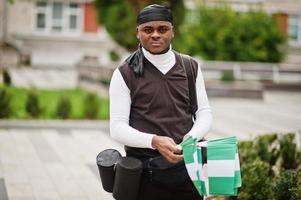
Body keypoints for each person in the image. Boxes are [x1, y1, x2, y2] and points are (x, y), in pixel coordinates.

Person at [109, 4, 212, 200]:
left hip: (189, 171)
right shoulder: (124, 73)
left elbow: (204, 113)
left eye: (162, 29)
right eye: (148, 29)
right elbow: (117, 128)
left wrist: (191, 138)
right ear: (137, 32)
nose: (155, 34)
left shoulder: (191, 67)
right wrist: (154, 141)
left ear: (172, 31)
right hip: (146, 176)